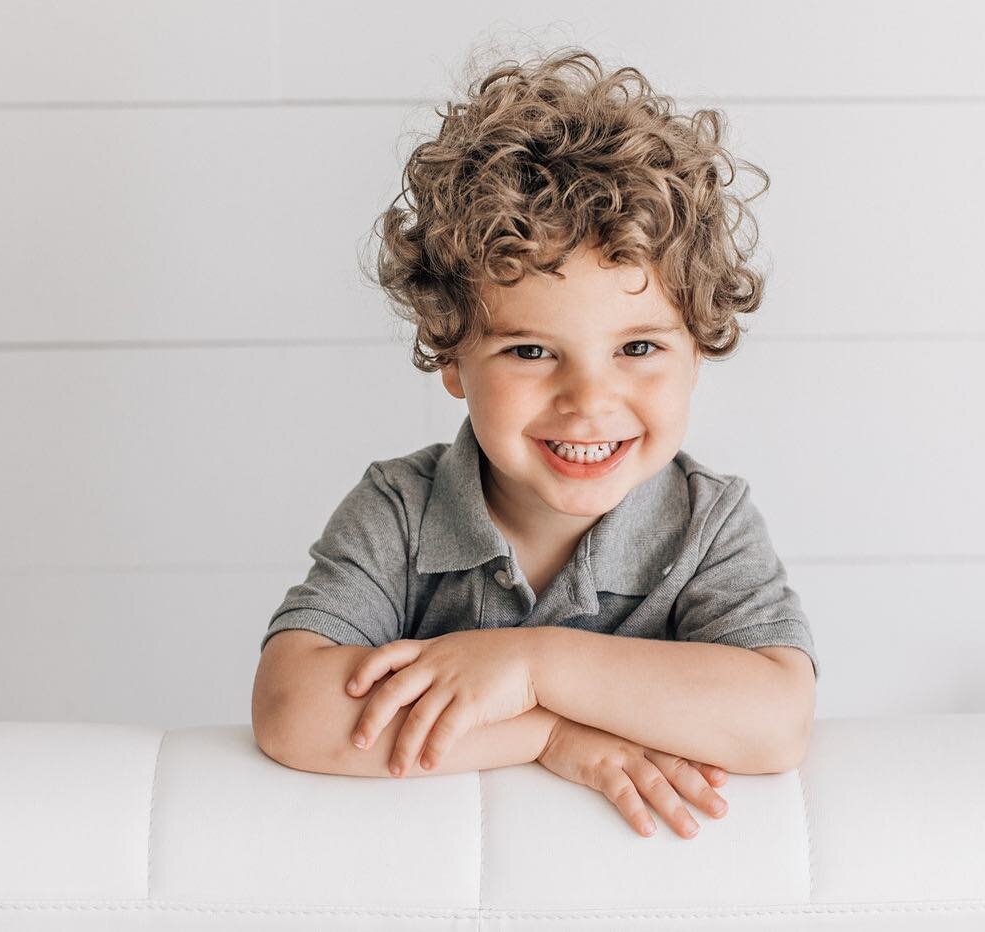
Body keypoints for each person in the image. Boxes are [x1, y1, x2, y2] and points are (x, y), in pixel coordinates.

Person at [252, 46, 818, 841]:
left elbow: (774, 719)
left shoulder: (707, 523)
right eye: (530, 351)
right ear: (452, 357)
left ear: (698, 349)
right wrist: (550, 735)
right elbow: (291, 712)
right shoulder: (402, 510)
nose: (588, 402)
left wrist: (530, 666)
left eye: (639, 349)